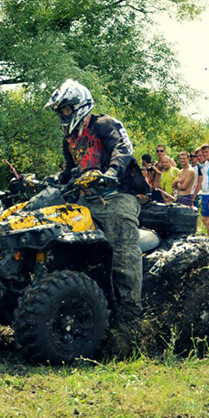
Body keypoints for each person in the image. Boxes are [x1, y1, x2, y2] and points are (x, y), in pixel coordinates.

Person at [45, 79, 149, 330]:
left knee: (123, 252)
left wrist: (112, 172)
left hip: (116, 196)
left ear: (80, 105)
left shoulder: (104, 124)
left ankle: (130, 314)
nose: (63, 114)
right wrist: (56, 179)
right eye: (60, 110)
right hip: (85, 200)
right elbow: (71, 171)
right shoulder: (69, 139)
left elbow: (123, 149)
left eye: (66, 109)